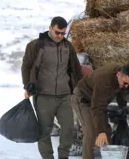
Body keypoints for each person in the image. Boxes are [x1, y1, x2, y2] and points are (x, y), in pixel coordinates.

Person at [21, 16, 83, 159]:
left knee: (68, 129)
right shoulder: (36, 45)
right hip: (43, 95)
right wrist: (27, 85)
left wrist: (79, 88)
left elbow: (76, 69)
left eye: (63, 33)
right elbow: (26, 65)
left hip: (65, 95)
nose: (60, 36)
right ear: (50, 28)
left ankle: (63, 156)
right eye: (57, 32)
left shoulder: (68, 46)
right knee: (44, 131)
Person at [71, 64, 129, 159]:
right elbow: (97, 107)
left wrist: (122, 106)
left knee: (107, 132)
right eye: (125, 83)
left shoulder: (121, 79)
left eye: (128, 84)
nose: (126, 86)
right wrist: (100, 132)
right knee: (91, 132)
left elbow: (121, 91)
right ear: (119, 74)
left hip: (97, 101)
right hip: (83, 99)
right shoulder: (104, 80)